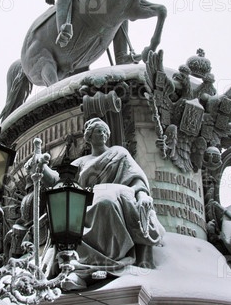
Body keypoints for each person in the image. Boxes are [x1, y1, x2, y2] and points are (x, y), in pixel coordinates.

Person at [42, 118, 165, 289]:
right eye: (98, 131)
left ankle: (98, 264)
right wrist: (42, 168)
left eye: (105, 131)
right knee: (69, 214)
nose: (103, 134)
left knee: (105, 202)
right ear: (89, 136)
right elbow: (60, 182)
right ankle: (80, 267)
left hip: (115, 194)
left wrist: (142, 195)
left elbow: (135, 177)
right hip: (85, 200)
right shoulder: (80, 162)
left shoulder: (119, 153)